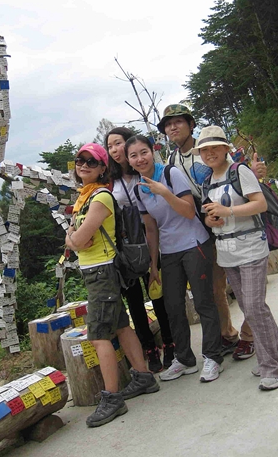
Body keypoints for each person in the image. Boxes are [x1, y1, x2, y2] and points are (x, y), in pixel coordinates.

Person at [157, 104, 266, 361]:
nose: (173, 127)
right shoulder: (171, 160)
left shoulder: (210, 147)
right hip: (203, 227)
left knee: (247, 289)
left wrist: (255, 174)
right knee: (216, 288)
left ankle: (249, 335)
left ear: (191, 124)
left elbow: (237, 176)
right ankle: (228, 335)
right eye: (168, 124)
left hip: (233, 223)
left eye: (178, 121)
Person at [192, 126, 278, 391]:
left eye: (215, 147)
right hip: (227, 253)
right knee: (253, 308)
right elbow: (208, 216)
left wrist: (228, 211)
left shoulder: (240, 171)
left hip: (250, 248)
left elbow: (259, 204)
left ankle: (272, 367)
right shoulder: (206, 181)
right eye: (204, 149)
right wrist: (212, 219)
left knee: (253, 307)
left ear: (226, 148)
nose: (209, 153)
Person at [65, 143, 159, 427]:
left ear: (103, 168)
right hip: (96, 271)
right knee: (120, 325)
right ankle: (143, 376)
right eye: (80, 160)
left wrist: (72, 238)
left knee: (98, 336)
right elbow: (76, 237)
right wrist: (74, 237)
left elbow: (77, 240)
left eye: (91, 162)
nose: (84, 165)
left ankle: (112, 398)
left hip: (101, 272)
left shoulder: (100, 197)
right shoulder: (84, 197)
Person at [125, 135, 223, 383]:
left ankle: (213, 356)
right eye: (133, 155)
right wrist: (153, 265)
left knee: (203, 302)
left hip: (194, 244)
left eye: (144, 152)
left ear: (152, 152)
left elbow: (189, 212)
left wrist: (164, 192)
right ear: (128, 160)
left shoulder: (170, 174)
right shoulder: (138, 189)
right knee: (173, 307)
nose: (140, 159)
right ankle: (185, 359)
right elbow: (151, 229)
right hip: (168, 251)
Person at [105, 127, 175, 373]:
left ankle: (169, 342)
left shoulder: (145, 172)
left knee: (158, 294)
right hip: (126, 249)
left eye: (118, 143)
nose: (114, 150)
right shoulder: (109, 180)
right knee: (134, 301)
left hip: (152, 241)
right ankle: (150, 349)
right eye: (109, 146)